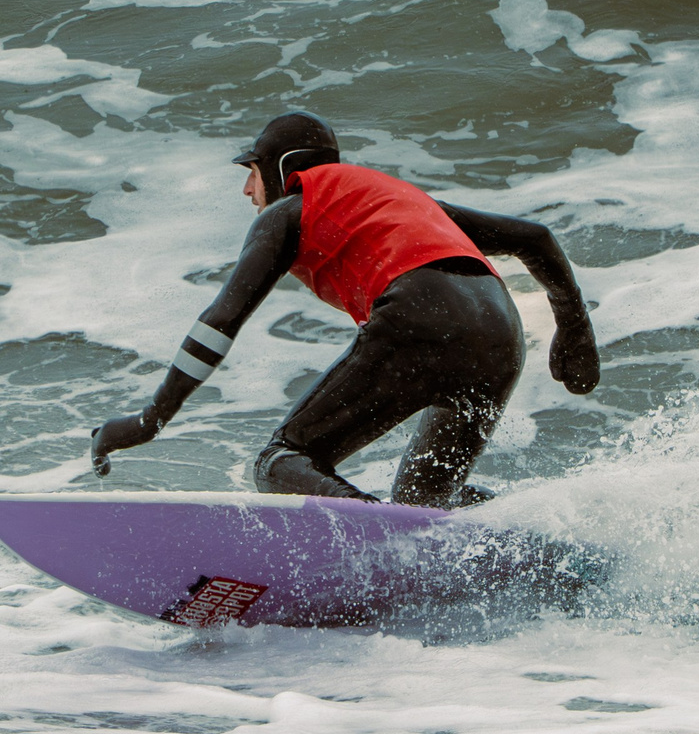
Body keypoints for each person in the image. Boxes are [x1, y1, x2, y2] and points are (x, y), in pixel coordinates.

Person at [88, 110, 598, 506]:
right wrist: (574, 330)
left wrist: (147, 421)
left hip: (420, 316)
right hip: (499, 337)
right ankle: (528, 538)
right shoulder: (398, 198)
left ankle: (372, 542)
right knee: (425, 506)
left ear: (283, 168)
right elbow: (535, 236)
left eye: (251, 172)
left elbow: (221, 319)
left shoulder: (292, 208)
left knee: (282, 460)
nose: (247, 189)